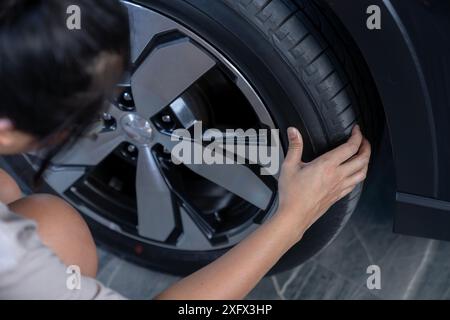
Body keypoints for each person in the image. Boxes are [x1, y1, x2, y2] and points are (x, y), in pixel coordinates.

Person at [0, 0, 371, 299]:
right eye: (81, 115)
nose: (122, 118)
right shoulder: (9, 254)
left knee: (43, 218)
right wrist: (293, 219)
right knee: (54, 234)